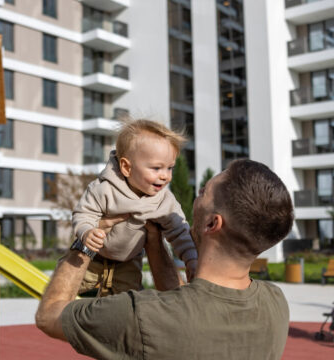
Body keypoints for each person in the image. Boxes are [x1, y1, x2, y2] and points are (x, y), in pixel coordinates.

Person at [36, 159, 293, 359]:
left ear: (213, 223)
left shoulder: (140, 315)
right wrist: (154, 242)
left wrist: (87, 240)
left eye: (203, 191)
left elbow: (50, 316)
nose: (195, 197)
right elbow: (187, 307)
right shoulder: (275, 304)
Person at [71, 118, 197, 296]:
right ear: (126, 167)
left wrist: (192, 259)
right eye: (156, 168)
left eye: (170, 168)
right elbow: (83, 213)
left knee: (126, 302)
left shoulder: (164, 200)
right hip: (94, 257)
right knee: (68, 290)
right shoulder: (104, 189)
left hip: (128, 262)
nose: (165, 176)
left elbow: (180, 231)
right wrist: (86, 232)